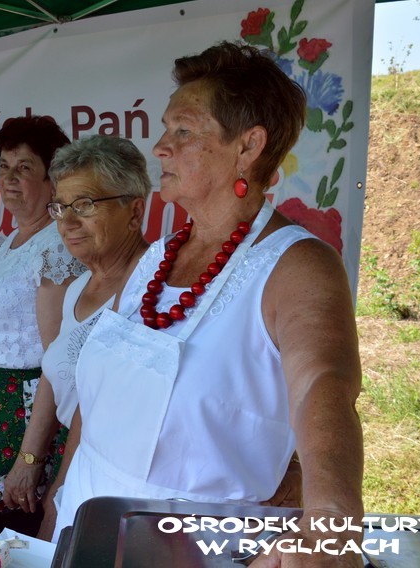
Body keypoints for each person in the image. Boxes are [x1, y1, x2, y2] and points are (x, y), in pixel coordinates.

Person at [45, 44, 364, 566]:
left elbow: (322, 386)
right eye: (165, 129)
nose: (161, 147)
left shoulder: (296, 265)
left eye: (183, 131)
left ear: (248, 146)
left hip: (194, 550)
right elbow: (100, 400)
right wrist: (58, 499)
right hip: (86, 526)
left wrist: (331, 523)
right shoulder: (155, 259)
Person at [0, 117, 84, 533]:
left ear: (53, 180)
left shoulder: (55, 248)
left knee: (14, 534)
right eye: (4, 166)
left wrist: (30, 459)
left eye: (24, 168)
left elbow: (58, 362)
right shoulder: (14, 241)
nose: (9, 179)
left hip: (31, 414)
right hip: (2, 408)